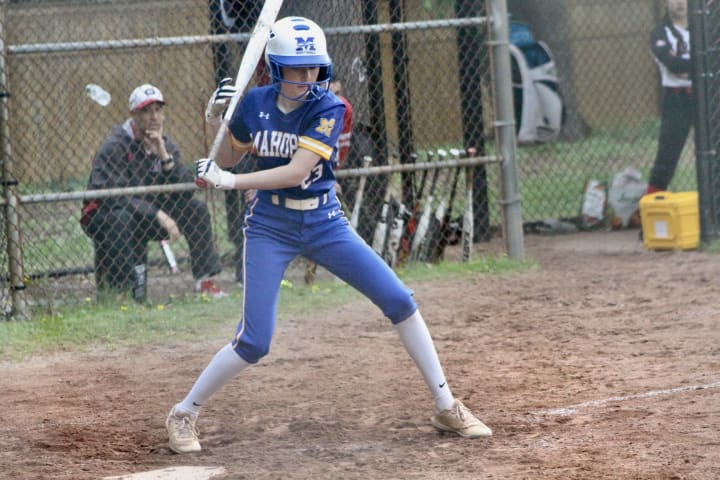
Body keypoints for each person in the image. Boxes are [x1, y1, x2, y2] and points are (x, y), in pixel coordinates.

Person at [164, 16, 491, 454]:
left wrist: (232, 182)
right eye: (295, 70)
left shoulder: (328, 108)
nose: (306, 78)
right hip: (270, 227)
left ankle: (446, 406)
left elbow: (296, 172)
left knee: (399, 300)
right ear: (275, 69)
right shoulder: (255, 102)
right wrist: (218, 118)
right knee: (254, 342)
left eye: (313, 68)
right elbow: (226, 157)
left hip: (324, 222)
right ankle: (183, 413)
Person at [80, 84, 226, 299]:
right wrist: (158, 215)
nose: (154, 117)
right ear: (133, 115)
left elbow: (185, 192)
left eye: (158, 110)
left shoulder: (164, 144)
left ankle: (204, 282)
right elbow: (114, 197)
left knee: (196, 210)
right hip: (105, 216)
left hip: (145, 214)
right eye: (146, 111)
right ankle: (122, 293)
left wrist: (165, 157)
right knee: (121, 217)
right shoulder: (115, 145)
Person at [646, 0, 693, 195]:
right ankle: (652, 204)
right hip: (676, 100)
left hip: (705, 97)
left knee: (713, 155)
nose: (680, 3)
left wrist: (687, 66)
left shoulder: (703, 30)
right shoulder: (659, 33)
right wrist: (700, 64)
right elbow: (673, 65)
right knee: (666, 158)